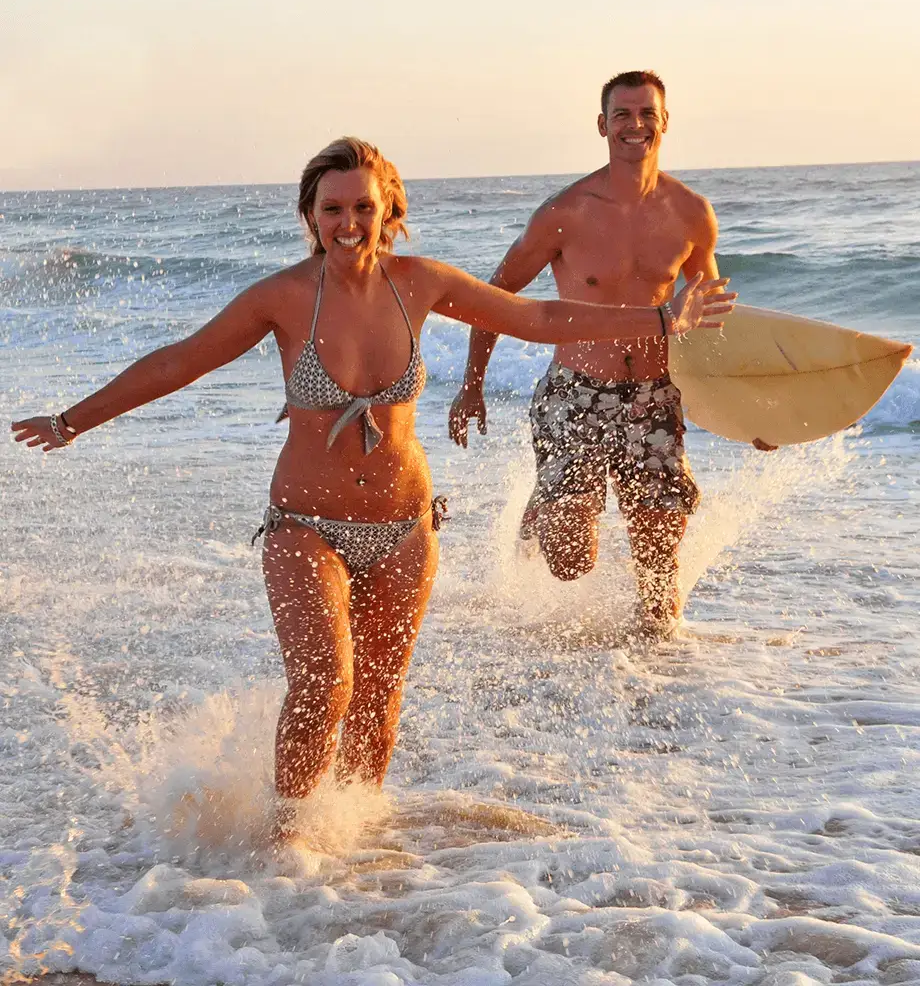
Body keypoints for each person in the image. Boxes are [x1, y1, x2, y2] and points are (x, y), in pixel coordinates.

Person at [12, 137, 734, 853]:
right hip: (305, 524)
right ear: (310, 214)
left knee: (379, 703)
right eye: (332, 208)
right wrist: (73, 420)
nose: (348, 222)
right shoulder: (283, 297)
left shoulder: (419, 282)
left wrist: (663, 320)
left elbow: (537, 320)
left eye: (363, 205)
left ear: (388, 208)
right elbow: (180, 361)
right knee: (324, 681)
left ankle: (354, 851)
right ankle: (290, 846)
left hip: (405, 528)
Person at [449, 71, 768, 640]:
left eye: (647, 113)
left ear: (665, 122)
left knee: (658, 575)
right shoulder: (565, 213)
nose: (635, 125)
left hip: (654, 398)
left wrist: (750, 416)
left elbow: (712, 325)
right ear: (603, 126)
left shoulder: (692, 213)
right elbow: (493, 300)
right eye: (622, 115)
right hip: (576, 394)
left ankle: (658, 685)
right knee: (571, 562)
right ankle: (546, 505)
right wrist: (471, 385)